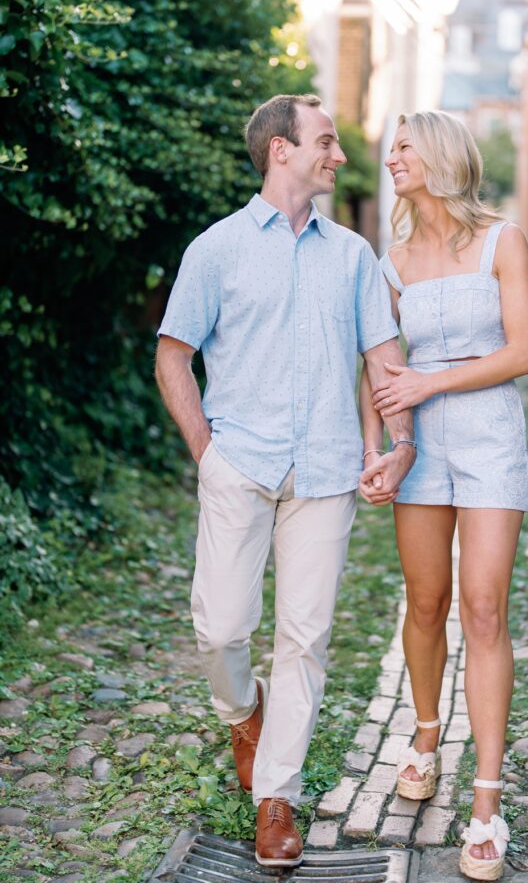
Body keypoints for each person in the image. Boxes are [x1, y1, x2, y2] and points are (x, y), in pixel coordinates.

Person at [155, 94, 415, 868]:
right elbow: (174, 354)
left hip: (328, 470)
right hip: (240, 463)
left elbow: (382, 360)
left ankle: (278, 798)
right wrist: (207, 450)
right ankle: (243, 713)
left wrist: (397, 443)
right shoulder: (217, 249)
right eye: (326, 143)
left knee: (305, 638)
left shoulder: (352, 255)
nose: (338, 156)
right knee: (221, 628)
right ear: (281, 151)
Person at [359, 110, 528, 882]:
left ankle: (486, 804)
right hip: (419, 452)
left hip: (490, 436)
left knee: (484, 608)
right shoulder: (389, 261)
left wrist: (431, 381)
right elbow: (379, 366)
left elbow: (523, 351)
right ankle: (426, 736)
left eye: (402, 147)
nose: (390, 157)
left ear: (437, 156)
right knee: (424, 602)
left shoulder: (501, 240)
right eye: (390, 148)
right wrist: (379, 449)